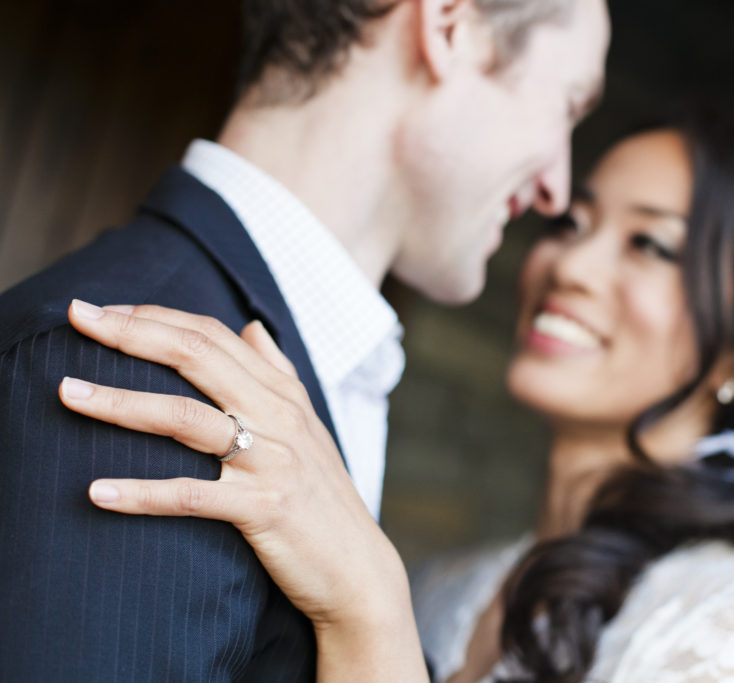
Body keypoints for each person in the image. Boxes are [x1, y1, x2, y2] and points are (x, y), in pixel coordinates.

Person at [56, 102, 734, 681]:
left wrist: (369, 609)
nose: (568, 266)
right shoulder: (451, 586)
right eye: (572, 224)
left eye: (649, 244)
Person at [0, 0, 609, 679]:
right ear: (448, 26)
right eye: (569, 105)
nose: (557, 186)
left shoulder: (307, 368)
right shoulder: (131, 371)